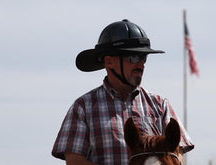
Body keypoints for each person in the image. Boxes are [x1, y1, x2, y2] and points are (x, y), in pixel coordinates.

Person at [52, 19, 194, 165]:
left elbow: (178, 154)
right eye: (133, 57)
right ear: (109, 62)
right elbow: (74, 161)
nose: (140, 64)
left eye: (143, 58)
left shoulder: (160, 105)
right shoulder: (83, 107)